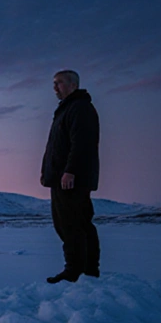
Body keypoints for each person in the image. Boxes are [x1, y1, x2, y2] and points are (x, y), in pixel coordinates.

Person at [40, 69, 100, 283]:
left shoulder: (79, 108)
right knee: (76, 223)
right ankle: (86, 270)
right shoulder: (68, 109)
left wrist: (70, 171)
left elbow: (82, 143)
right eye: (54, 83)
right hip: (64, 177)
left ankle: (75, 270)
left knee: (72, 224)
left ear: (73, 84)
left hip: (71, 179)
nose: (55, 87)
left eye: (59, 83)